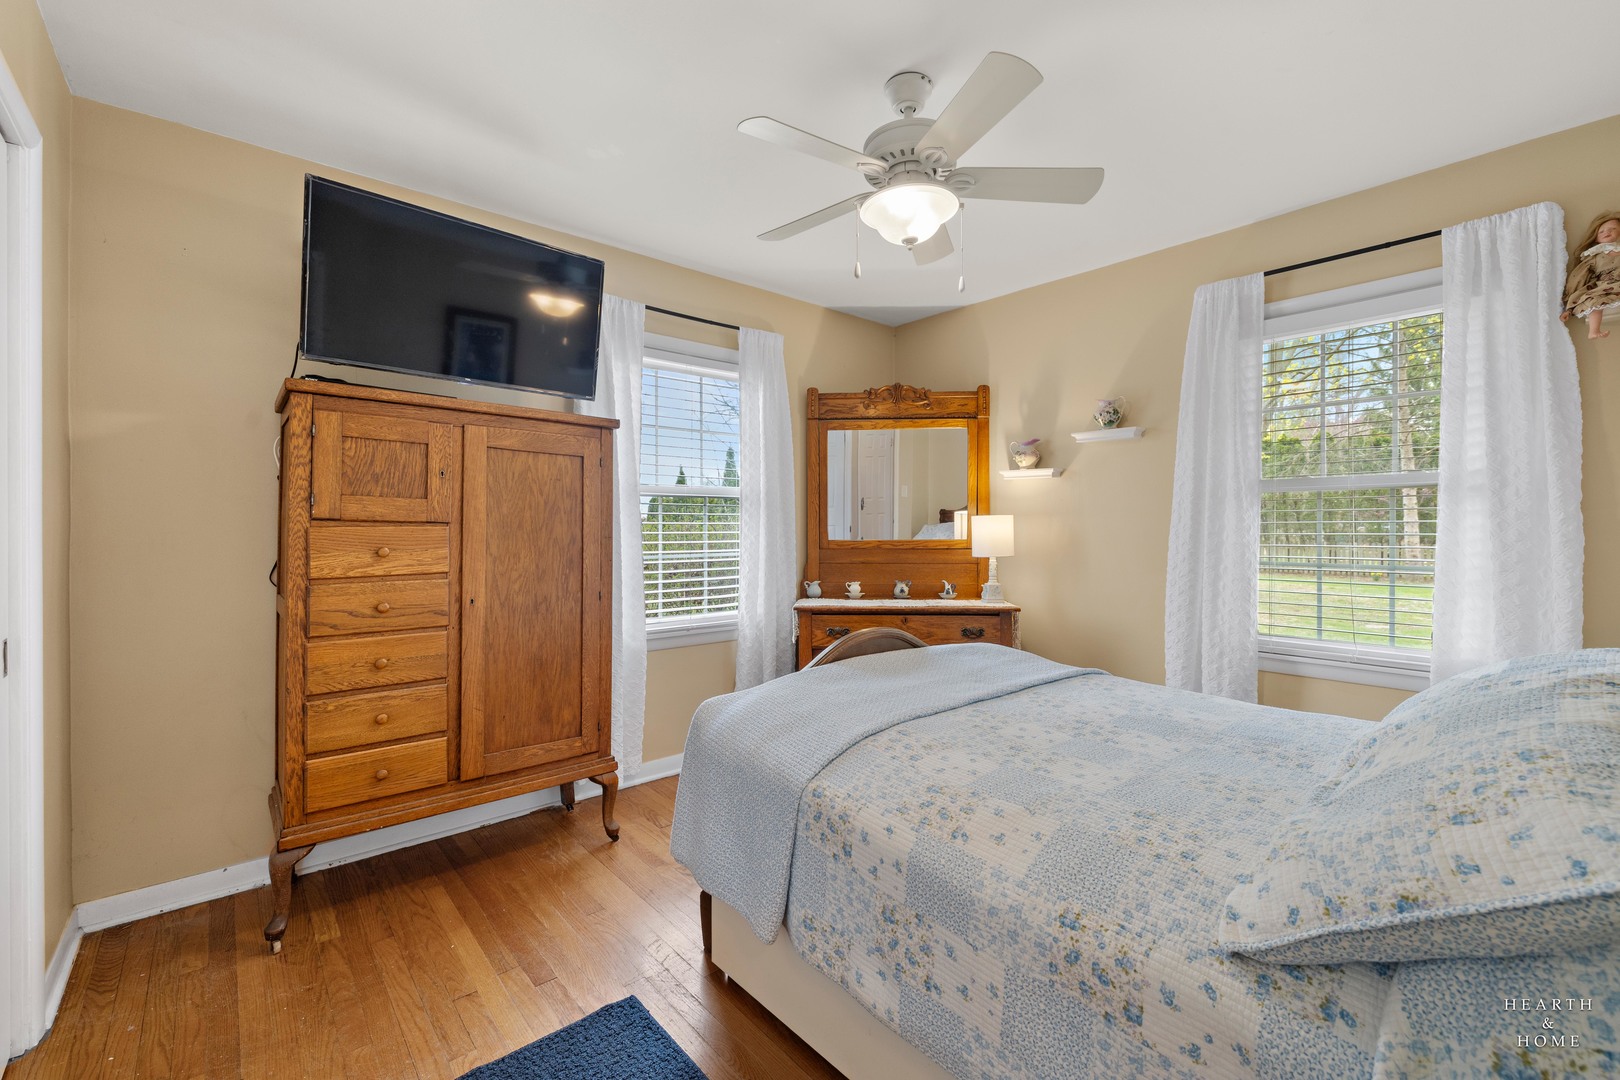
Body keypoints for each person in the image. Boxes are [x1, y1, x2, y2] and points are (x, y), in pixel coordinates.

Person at [1562, 211, 1620, 339]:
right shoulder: (1594, 255)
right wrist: (1569, 307)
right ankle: (1594, 330)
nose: (1607, 232)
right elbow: (1578, 277)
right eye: (1601, 231)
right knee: (1594, 300)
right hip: (1605, 285)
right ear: (1595, 237)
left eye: (1612, 229)